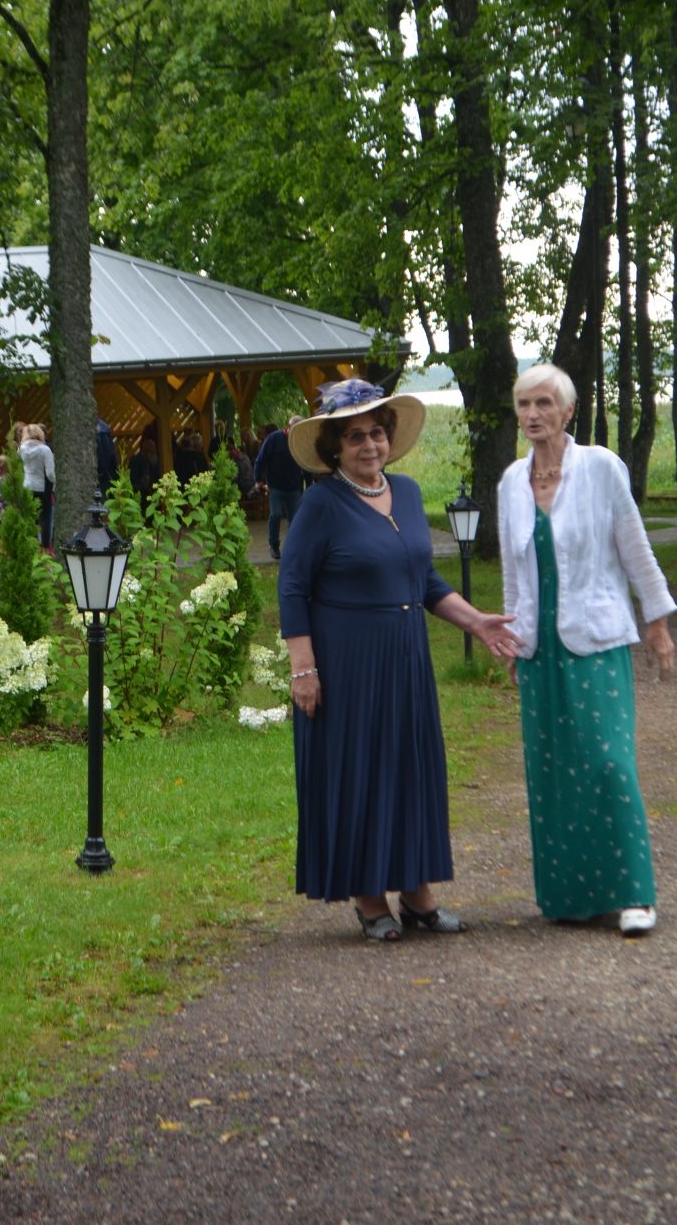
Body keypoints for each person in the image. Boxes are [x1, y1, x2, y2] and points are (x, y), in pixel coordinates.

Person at [279, 378, 518, 942]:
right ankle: (369, 900)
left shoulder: (407, 493)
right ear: (336, 446)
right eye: (356, 435)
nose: (370, 445)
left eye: (378, 433)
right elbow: (291, 587)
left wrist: (477, 622)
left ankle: (418, 896)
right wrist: (303, 668)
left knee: (411, 770)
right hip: (347, 663)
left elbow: (426, 579)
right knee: (359, 772)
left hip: (406, 657)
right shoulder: (322, 503)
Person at [498, 363, 675, 938]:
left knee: (607, 762)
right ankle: (571, 896)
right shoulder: (509, 483)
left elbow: (634, 545)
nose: (532, 415)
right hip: (538, 647)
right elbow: (512, 572)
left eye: (544, 403)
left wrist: (657, 622)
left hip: (595, 638)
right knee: (552, 771)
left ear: (568, 410)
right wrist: (508, 633)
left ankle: (633, 894)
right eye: (524, 404)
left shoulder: (599, 468)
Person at [254, 416, 305, 560]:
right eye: (294, 429)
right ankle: (274, 545)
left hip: (293, 486)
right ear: (287, 427)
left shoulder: (300, 441)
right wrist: (258, 480)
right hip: (275, 486)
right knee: (275, 514)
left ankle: (292, 547)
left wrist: (309, 482)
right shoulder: (273, 439)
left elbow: (306, 463)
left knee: (295, 519)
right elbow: (260, 459)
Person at [20, 423, 56, 551]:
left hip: (27, 486)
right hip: (43, 488)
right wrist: (55, 484)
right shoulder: (45, 450)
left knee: (30, 518)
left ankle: (31, 546)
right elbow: (50, 474)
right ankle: (45, 548)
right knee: (45, 519)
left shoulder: (22, 449)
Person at [128, 438, 160, 517]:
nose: (154, 451)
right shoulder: (135, 460)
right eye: (152, 449)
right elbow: (133, 479)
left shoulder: (154, 460)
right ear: (145, 450)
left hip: (152, 494)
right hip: (140, 494)